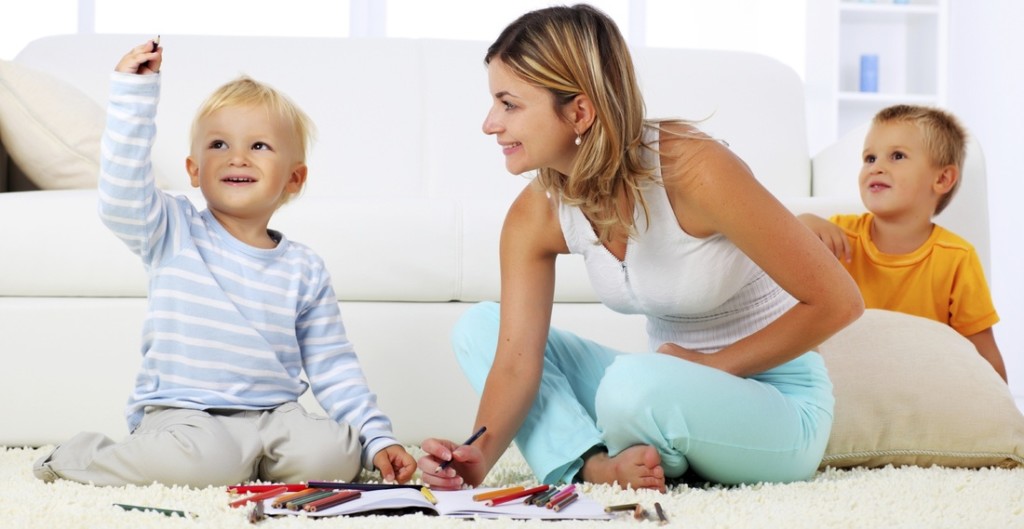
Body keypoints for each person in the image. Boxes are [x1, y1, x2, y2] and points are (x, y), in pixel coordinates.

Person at [417, 5, 863, 492]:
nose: (489, 124)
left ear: (579, 111)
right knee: (478, 327)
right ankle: (589, 464)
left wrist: (710, 368)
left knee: (629, 388)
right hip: (665, 392)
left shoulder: (694, 170)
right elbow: (516, 363)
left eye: (509, 104)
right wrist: (476, 455)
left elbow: (839, 302)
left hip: (775, 404)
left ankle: (626, 447)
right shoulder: (537, 213)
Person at [33, 39, 415, 487]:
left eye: (259, 146)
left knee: (335, 456)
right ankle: (77, 456)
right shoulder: (172, 230)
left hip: (276, 415)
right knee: (202, 463)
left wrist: (376, 438)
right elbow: (120, 195)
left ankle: (251, 460)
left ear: (294, 179)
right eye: (219, 144)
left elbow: (333, 366)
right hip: (184, 412)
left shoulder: (304, 268)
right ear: (194, 170)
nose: (237, 157)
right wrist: (133, 99)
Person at [798, 104, 1007, 382]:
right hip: (849, 377)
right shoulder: (839, 234)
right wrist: (803, 222)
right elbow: (772, 261)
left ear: (942, 178)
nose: (877, 168)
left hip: (920, 384)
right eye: (869, 158)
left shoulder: (957, 258)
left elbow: (983, 352)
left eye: (897, 156)